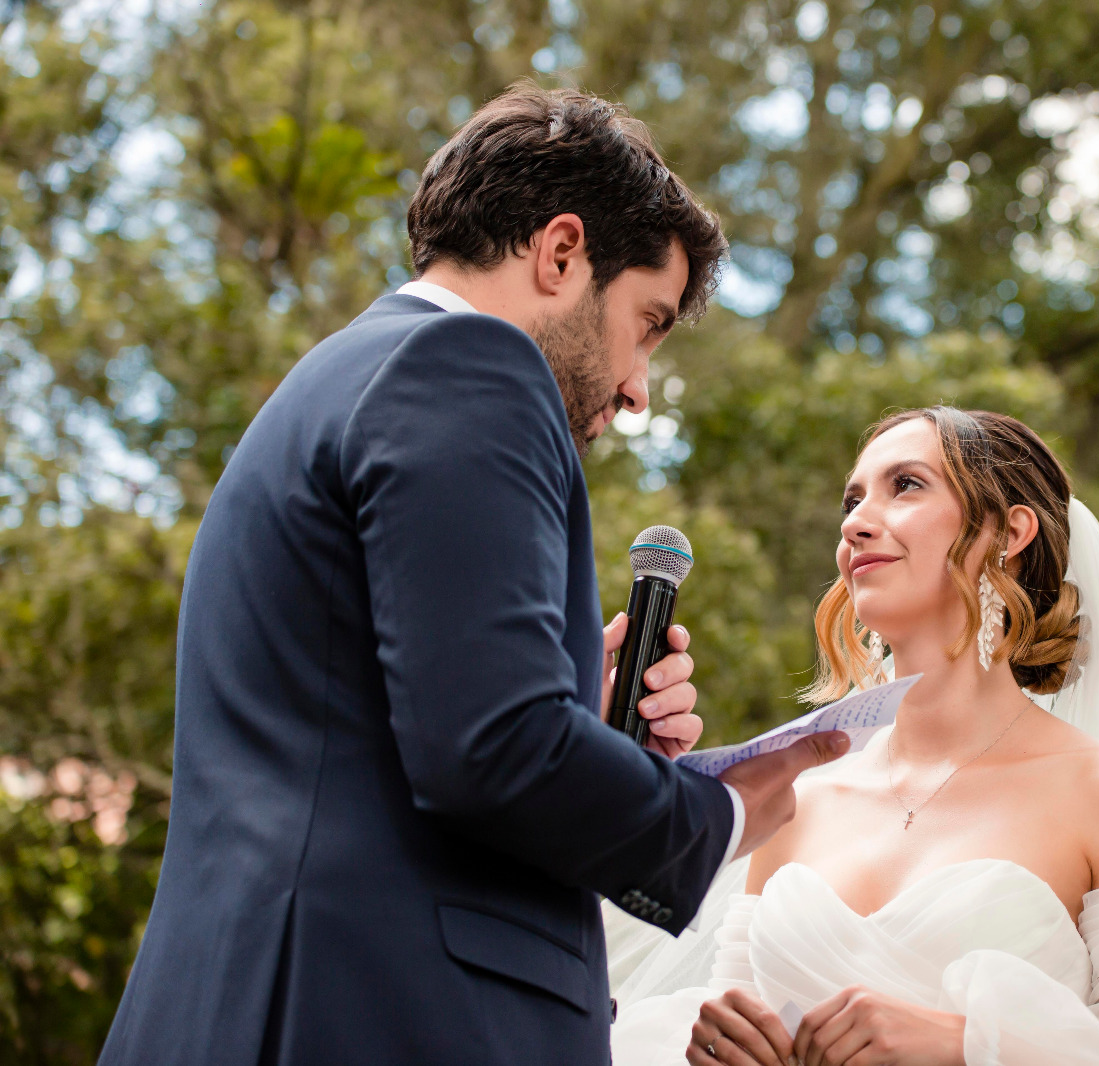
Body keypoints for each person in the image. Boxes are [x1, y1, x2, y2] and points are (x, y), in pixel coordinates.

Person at [99, 84, 845, 1066]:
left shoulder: (350, 371)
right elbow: (493, 751)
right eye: (647, 323)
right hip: (365, 1016)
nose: (636, 387)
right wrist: (734, 803)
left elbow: (404, 727)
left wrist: (583, 717)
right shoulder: (468, 365)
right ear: (561, 251)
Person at [607, 407, 1099, 1066]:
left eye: (907, 485)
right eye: (853, 498)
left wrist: (967, 1045)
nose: (855, 522)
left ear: (1010, 531)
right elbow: (732, 1014)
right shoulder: (794, 799)